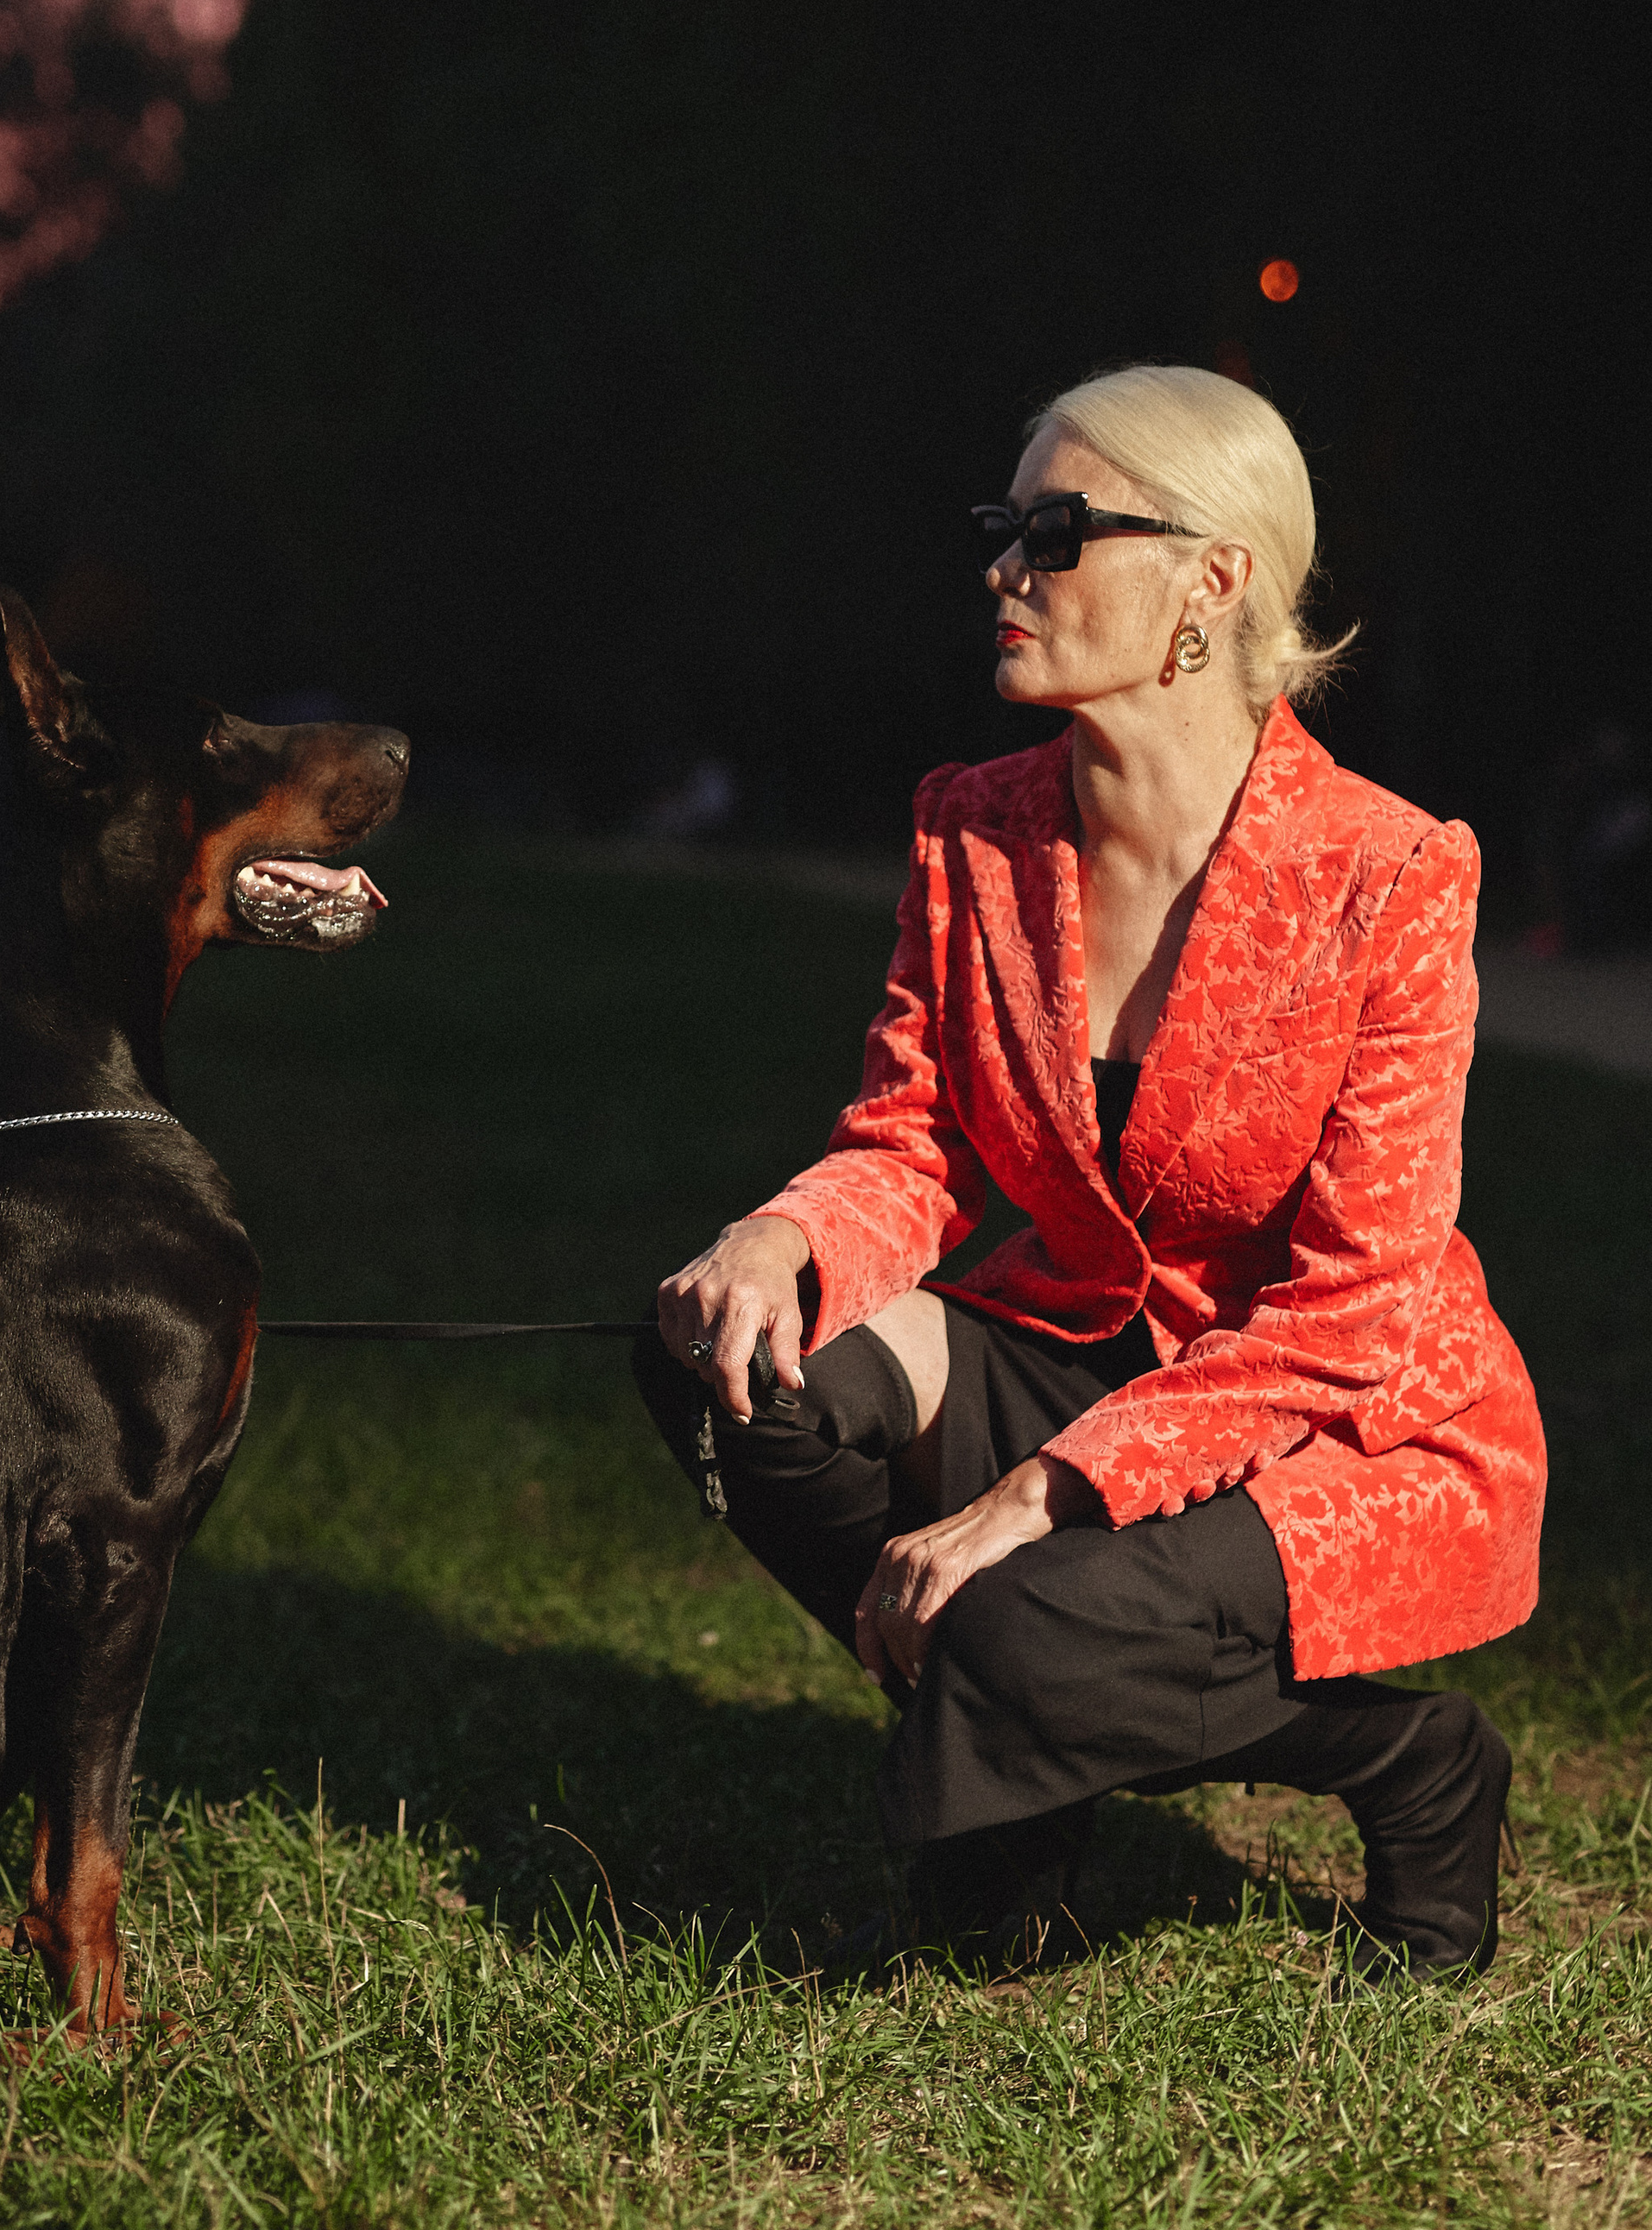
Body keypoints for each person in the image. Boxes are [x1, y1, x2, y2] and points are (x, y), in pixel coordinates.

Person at [639, 365, 1543, 1978]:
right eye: (1005, 529)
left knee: (1016, 1608)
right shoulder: (969, 828)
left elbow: (1350, 1315)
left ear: (1215, 578)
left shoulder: (1394, 874)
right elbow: (907, 1145)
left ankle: (1408, 1766)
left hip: (1334, 1413)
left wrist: (1024, 1507)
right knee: (730, 1371)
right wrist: (782, 1238)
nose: (1004, 569)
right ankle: (1014, 1747)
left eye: (1054, 532)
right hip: (1078, 1347)